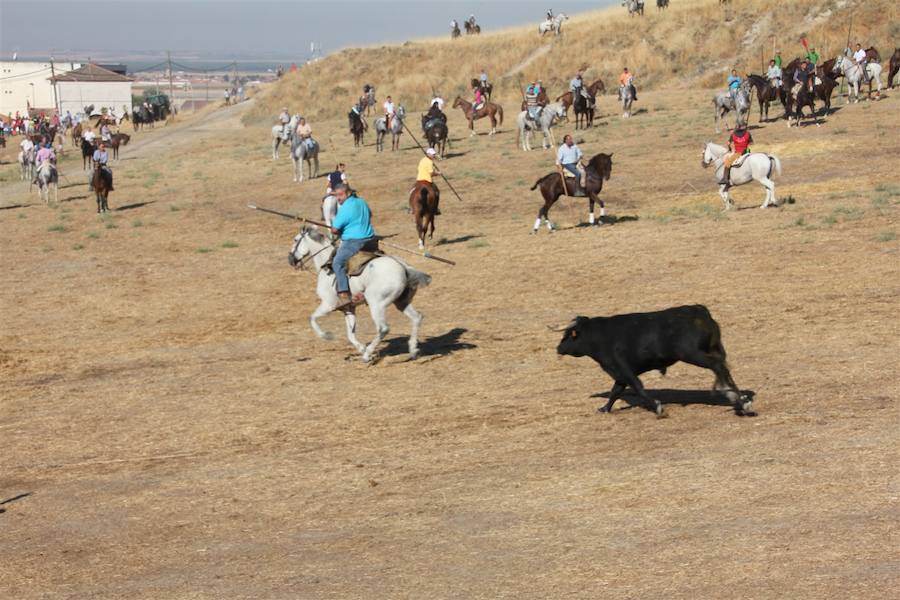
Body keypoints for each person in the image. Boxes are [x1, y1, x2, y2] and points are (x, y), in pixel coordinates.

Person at [330, 184, 376, 310]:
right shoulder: (362, 202)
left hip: (354, 242)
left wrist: (340, 230)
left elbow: (334, 230)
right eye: (336, 195)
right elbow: (370, 215)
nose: (338, 198)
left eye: (340, 195)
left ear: (348, 193)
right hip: (371, 241)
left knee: (337, 262)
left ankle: (344, 295)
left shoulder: (345, 208)